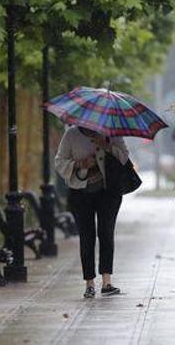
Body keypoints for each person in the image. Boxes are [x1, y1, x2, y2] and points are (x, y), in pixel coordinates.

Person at [55, 125, 129, 298]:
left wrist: (107, 145)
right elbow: (59, 162)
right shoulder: (71, 134)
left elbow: (124, 157)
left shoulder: (111, 131)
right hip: (80, 194)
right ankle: (89, 283)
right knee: (86, 236)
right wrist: (80, 164)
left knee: (106, 233)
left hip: (108, 192)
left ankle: (107, 281)